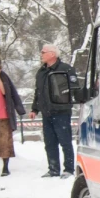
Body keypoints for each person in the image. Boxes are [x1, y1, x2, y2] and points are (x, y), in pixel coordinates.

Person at [30, 44, 78, 177]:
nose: (41, 54)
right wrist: (35, 109)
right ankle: (53, 168)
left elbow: (74, 87)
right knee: (49, 143)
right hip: (47, 113)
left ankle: (68, 169)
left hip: (62, 112)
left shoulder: (66, 69)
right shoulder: (41, 72)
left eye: (43, 52)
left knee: (65, 141)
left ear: (52, 54)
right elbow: (38, 92)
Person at [0, 53, 25, 177]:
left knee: (5, 142)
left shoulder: (3, 76)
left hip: (3, 114)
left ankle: (5, 168)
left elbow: (6, 92)